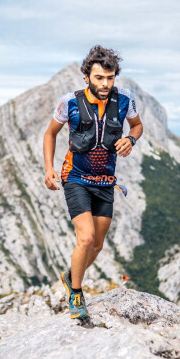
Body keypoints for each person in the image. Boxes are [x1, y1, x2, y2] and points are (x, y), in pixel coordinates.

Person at [42, 45, 144, 320]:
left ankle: (70, 275)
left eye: (110, 78)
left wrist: (130, 139)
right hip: (75, 177)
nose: (105, 84)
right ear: (86, 76)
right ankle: (76, 293)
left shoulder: (125, 99)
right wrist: (49, 168)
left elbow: (137, 126)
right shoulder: (69, 102)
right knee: (85, 237)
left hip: (105, 181)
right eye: (99, 78)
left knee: (97, 245)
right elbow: (50, 134)